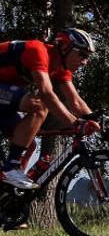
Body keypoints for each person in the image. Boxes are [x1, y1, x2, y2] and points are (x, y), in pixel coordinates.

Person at [0, 28, 101, 189]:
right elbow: (47, 94)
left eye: (88, 57)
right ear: (64, 47)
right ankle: (10, 169)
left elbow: (75, 101)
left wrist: (100, 124)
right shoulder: (38, 51)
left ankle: (9, 188)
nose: (85, 61)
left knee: (27, 143)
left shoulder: (60, 68)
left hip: (4, 95)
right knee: (40, 106)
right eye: (82, 54)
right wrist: (75, 123)